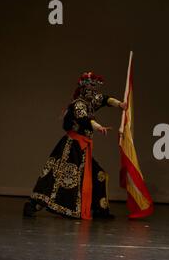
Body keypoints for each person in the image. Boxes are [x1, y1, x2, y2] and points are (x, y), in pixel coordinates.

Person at [23, 71, 126, 220]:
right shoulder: (78, 104)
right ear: (83, 90)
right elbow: (84, 119)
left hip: (83, 149)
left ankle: (100, 211)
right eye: (89, 89)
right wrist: (99, 127)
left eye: (94, 89)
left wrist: (120, 104)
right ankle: (33, 205)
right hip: (71, 148)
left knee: (99, 175)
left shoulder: (91, 101)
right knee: (55, 179)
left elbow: (105, 99)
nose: (93, 92)